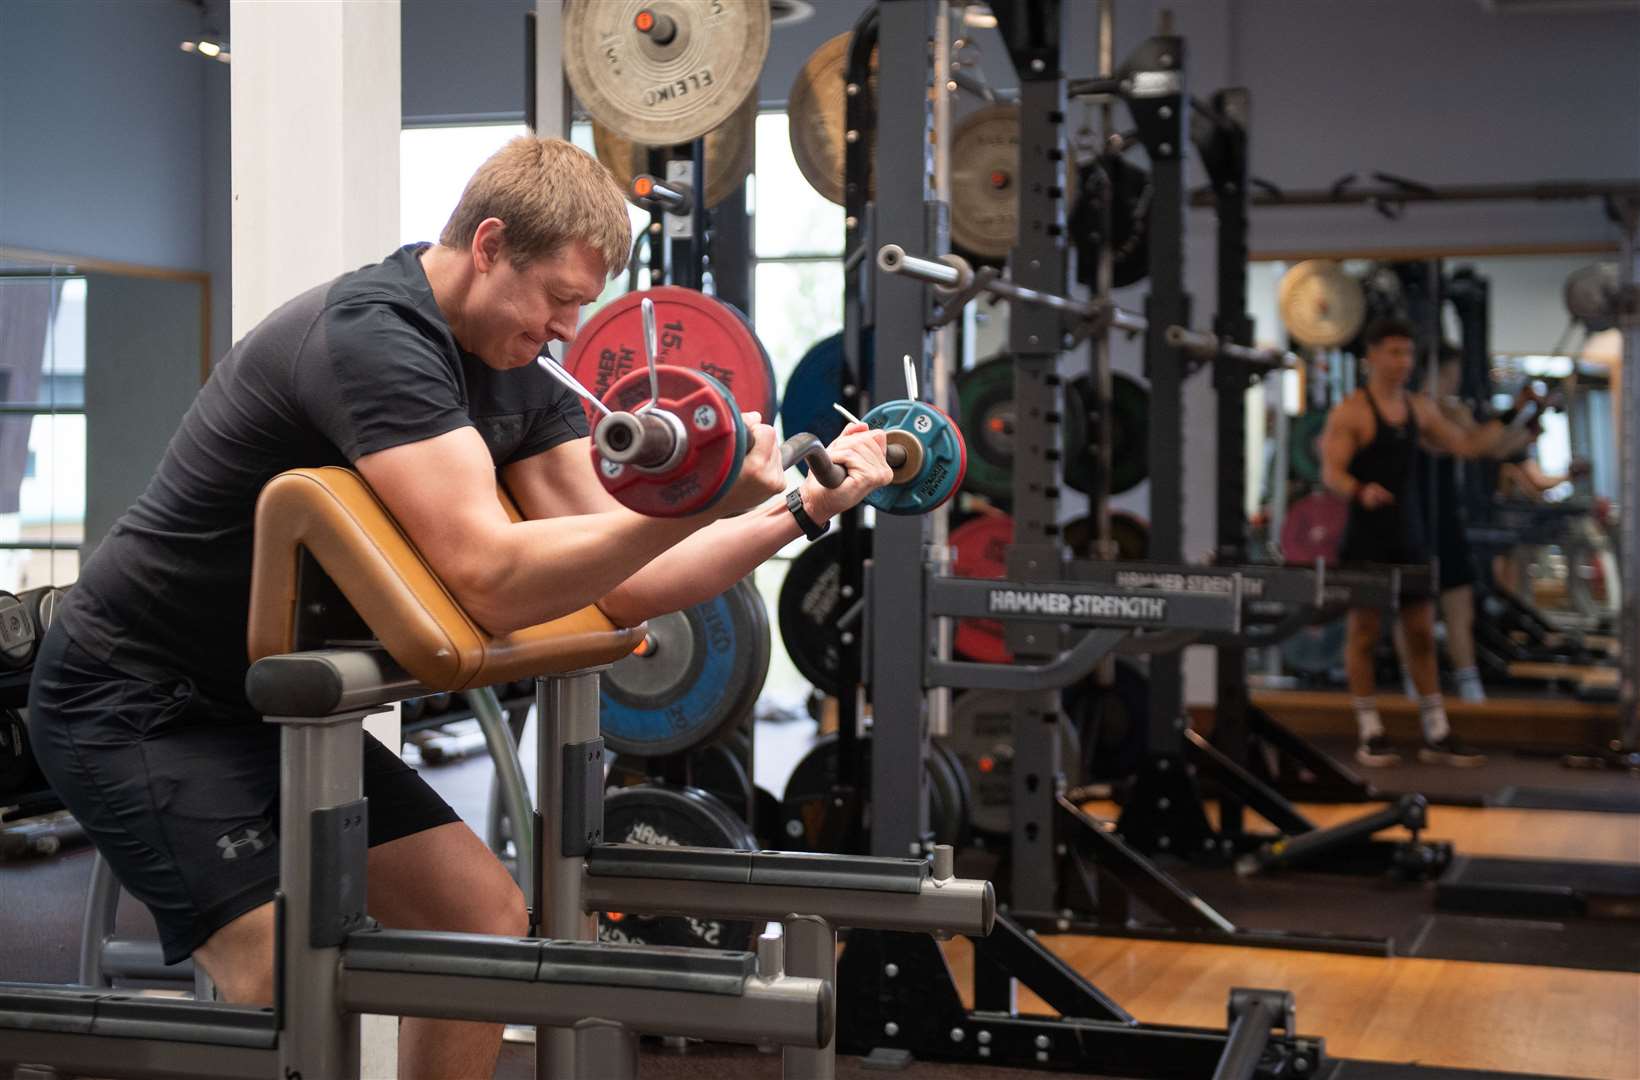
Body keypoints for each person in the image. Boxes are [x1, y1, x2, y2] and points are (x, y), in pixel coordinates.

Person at [25, 136, 894, 1080]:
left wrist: (798, 509)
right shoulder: (376, 336)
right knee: (281, 976)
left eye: (581, 304)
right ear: (488, 245)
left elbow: (626, 575)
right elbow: (491, 574)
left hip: (255, 703)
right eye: (560, 297)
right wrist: (691, 503)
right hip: (134, 698)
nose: (569, 328)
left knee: (479, 921)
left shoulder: (517, 358)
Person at [1319, 317, 1531, 769]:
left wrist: (1513, 414)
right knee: (1364, 634)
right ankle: (1370, 729)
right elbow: (1330, 473)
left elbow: (1469, 445)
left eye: (1408, 353)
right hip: (1366, 538)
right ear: (1372, 356)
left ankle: (1436, 731)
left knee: (1419, 632)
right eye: (1393, 352)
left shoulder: (1420, 409)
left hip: (1409, 535)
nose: (1402, 362)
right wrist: (1360, 489)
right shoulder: (1353, 412)